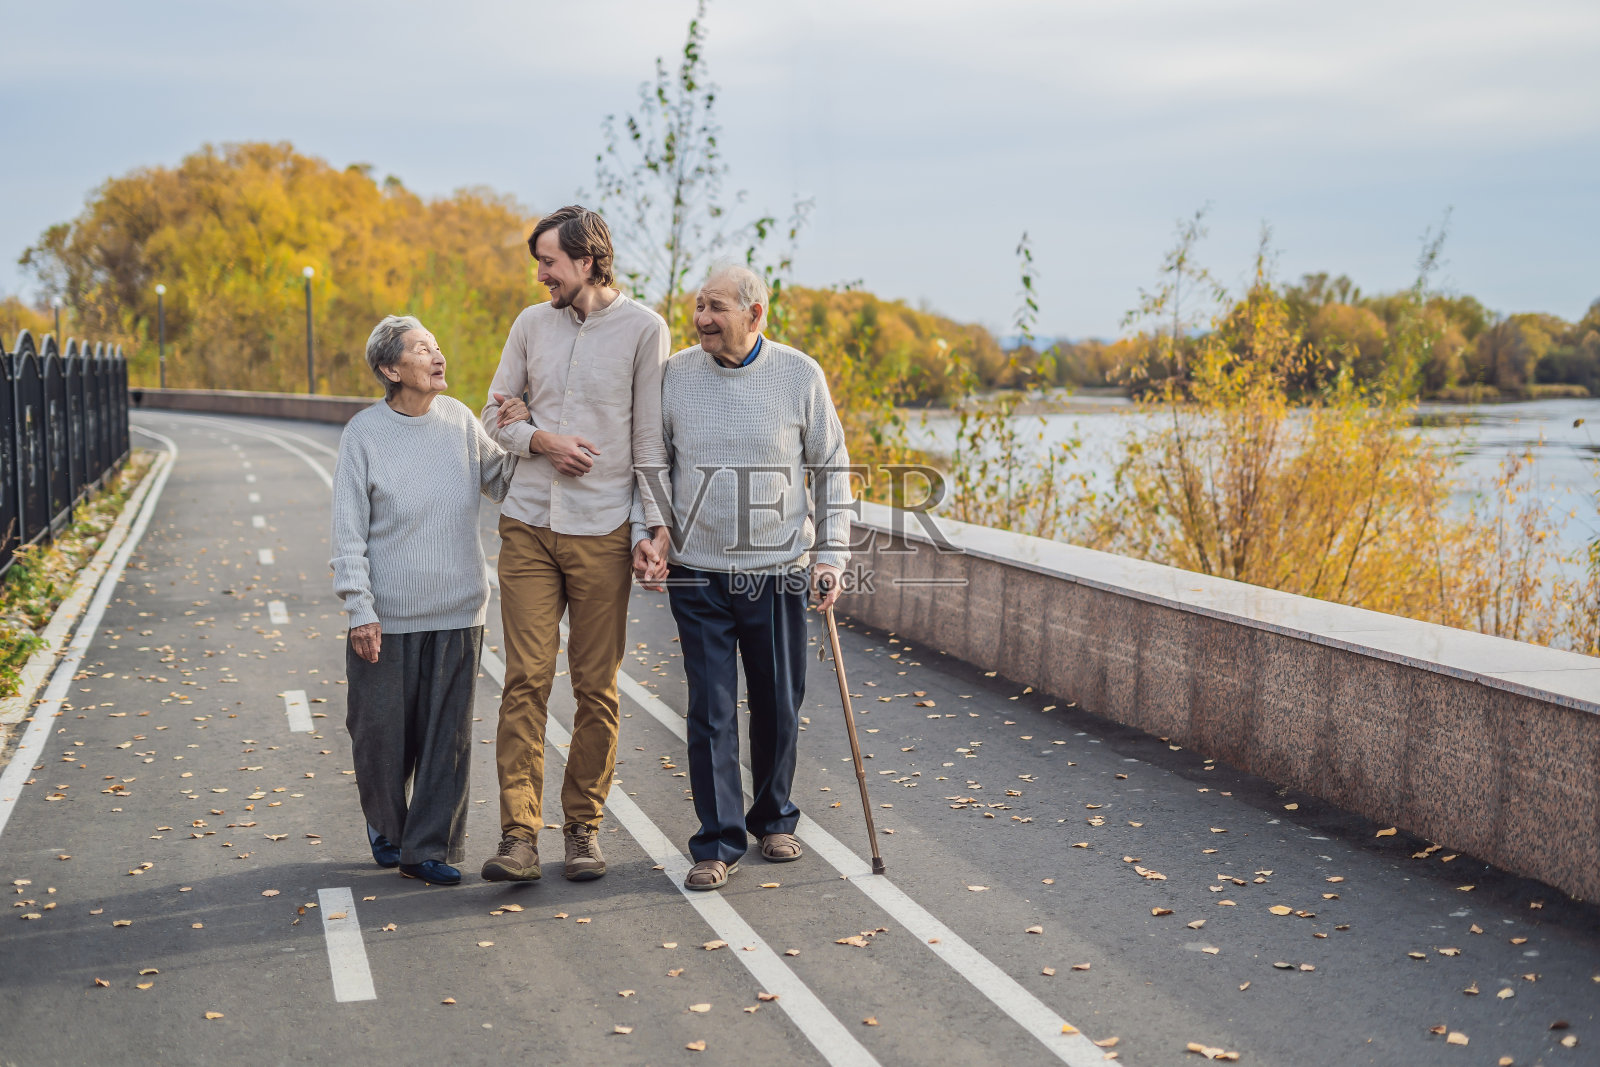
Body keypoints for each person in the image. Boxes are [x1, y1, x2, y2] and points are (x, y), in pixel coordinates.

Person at [478, 205, 672, 883]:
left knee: (596, 687)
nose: (541, 276)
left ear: (587, 261)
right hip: (528, 525)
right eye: (538, 263)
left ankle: (582, 826)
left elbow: (649, 440)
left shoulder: (646, 330)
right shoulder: (531, 326)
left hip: (602, 534)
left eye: (549, 262)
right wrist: (540, 439)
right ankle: (518, 835)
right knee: (525, 680)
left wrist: (655, 528)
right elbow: (491, 414)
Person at [649, 264, 853, 891]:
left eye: (714, 307)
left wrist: (831, 556)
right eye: (697, 306)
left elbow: (832, 466)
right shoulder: (675, 374)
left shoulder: (799, 374)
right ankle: (716, 842)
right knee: (709, 711)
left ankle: (774, 818)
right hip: (698, 574)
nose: (700, 318)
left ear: (755, 313)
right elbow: (652, 461)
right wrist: (648, 530)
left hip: (779, 572)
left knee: (777, 705)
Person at [331, 315, 517, 886]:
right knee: (381, 737)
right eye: (421, 350)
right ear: (391, 369)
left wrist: (517, 435)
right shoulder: (363, 434)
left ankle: (428, 847)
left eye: (437, 347)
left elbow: (505, 483)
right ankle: (387, 826)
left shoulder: (460, 420)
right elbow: (348, 531)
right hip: (387, 617)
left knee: (447, 741)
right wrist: (360, 609)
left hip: (459, 609)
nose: (437, 358)